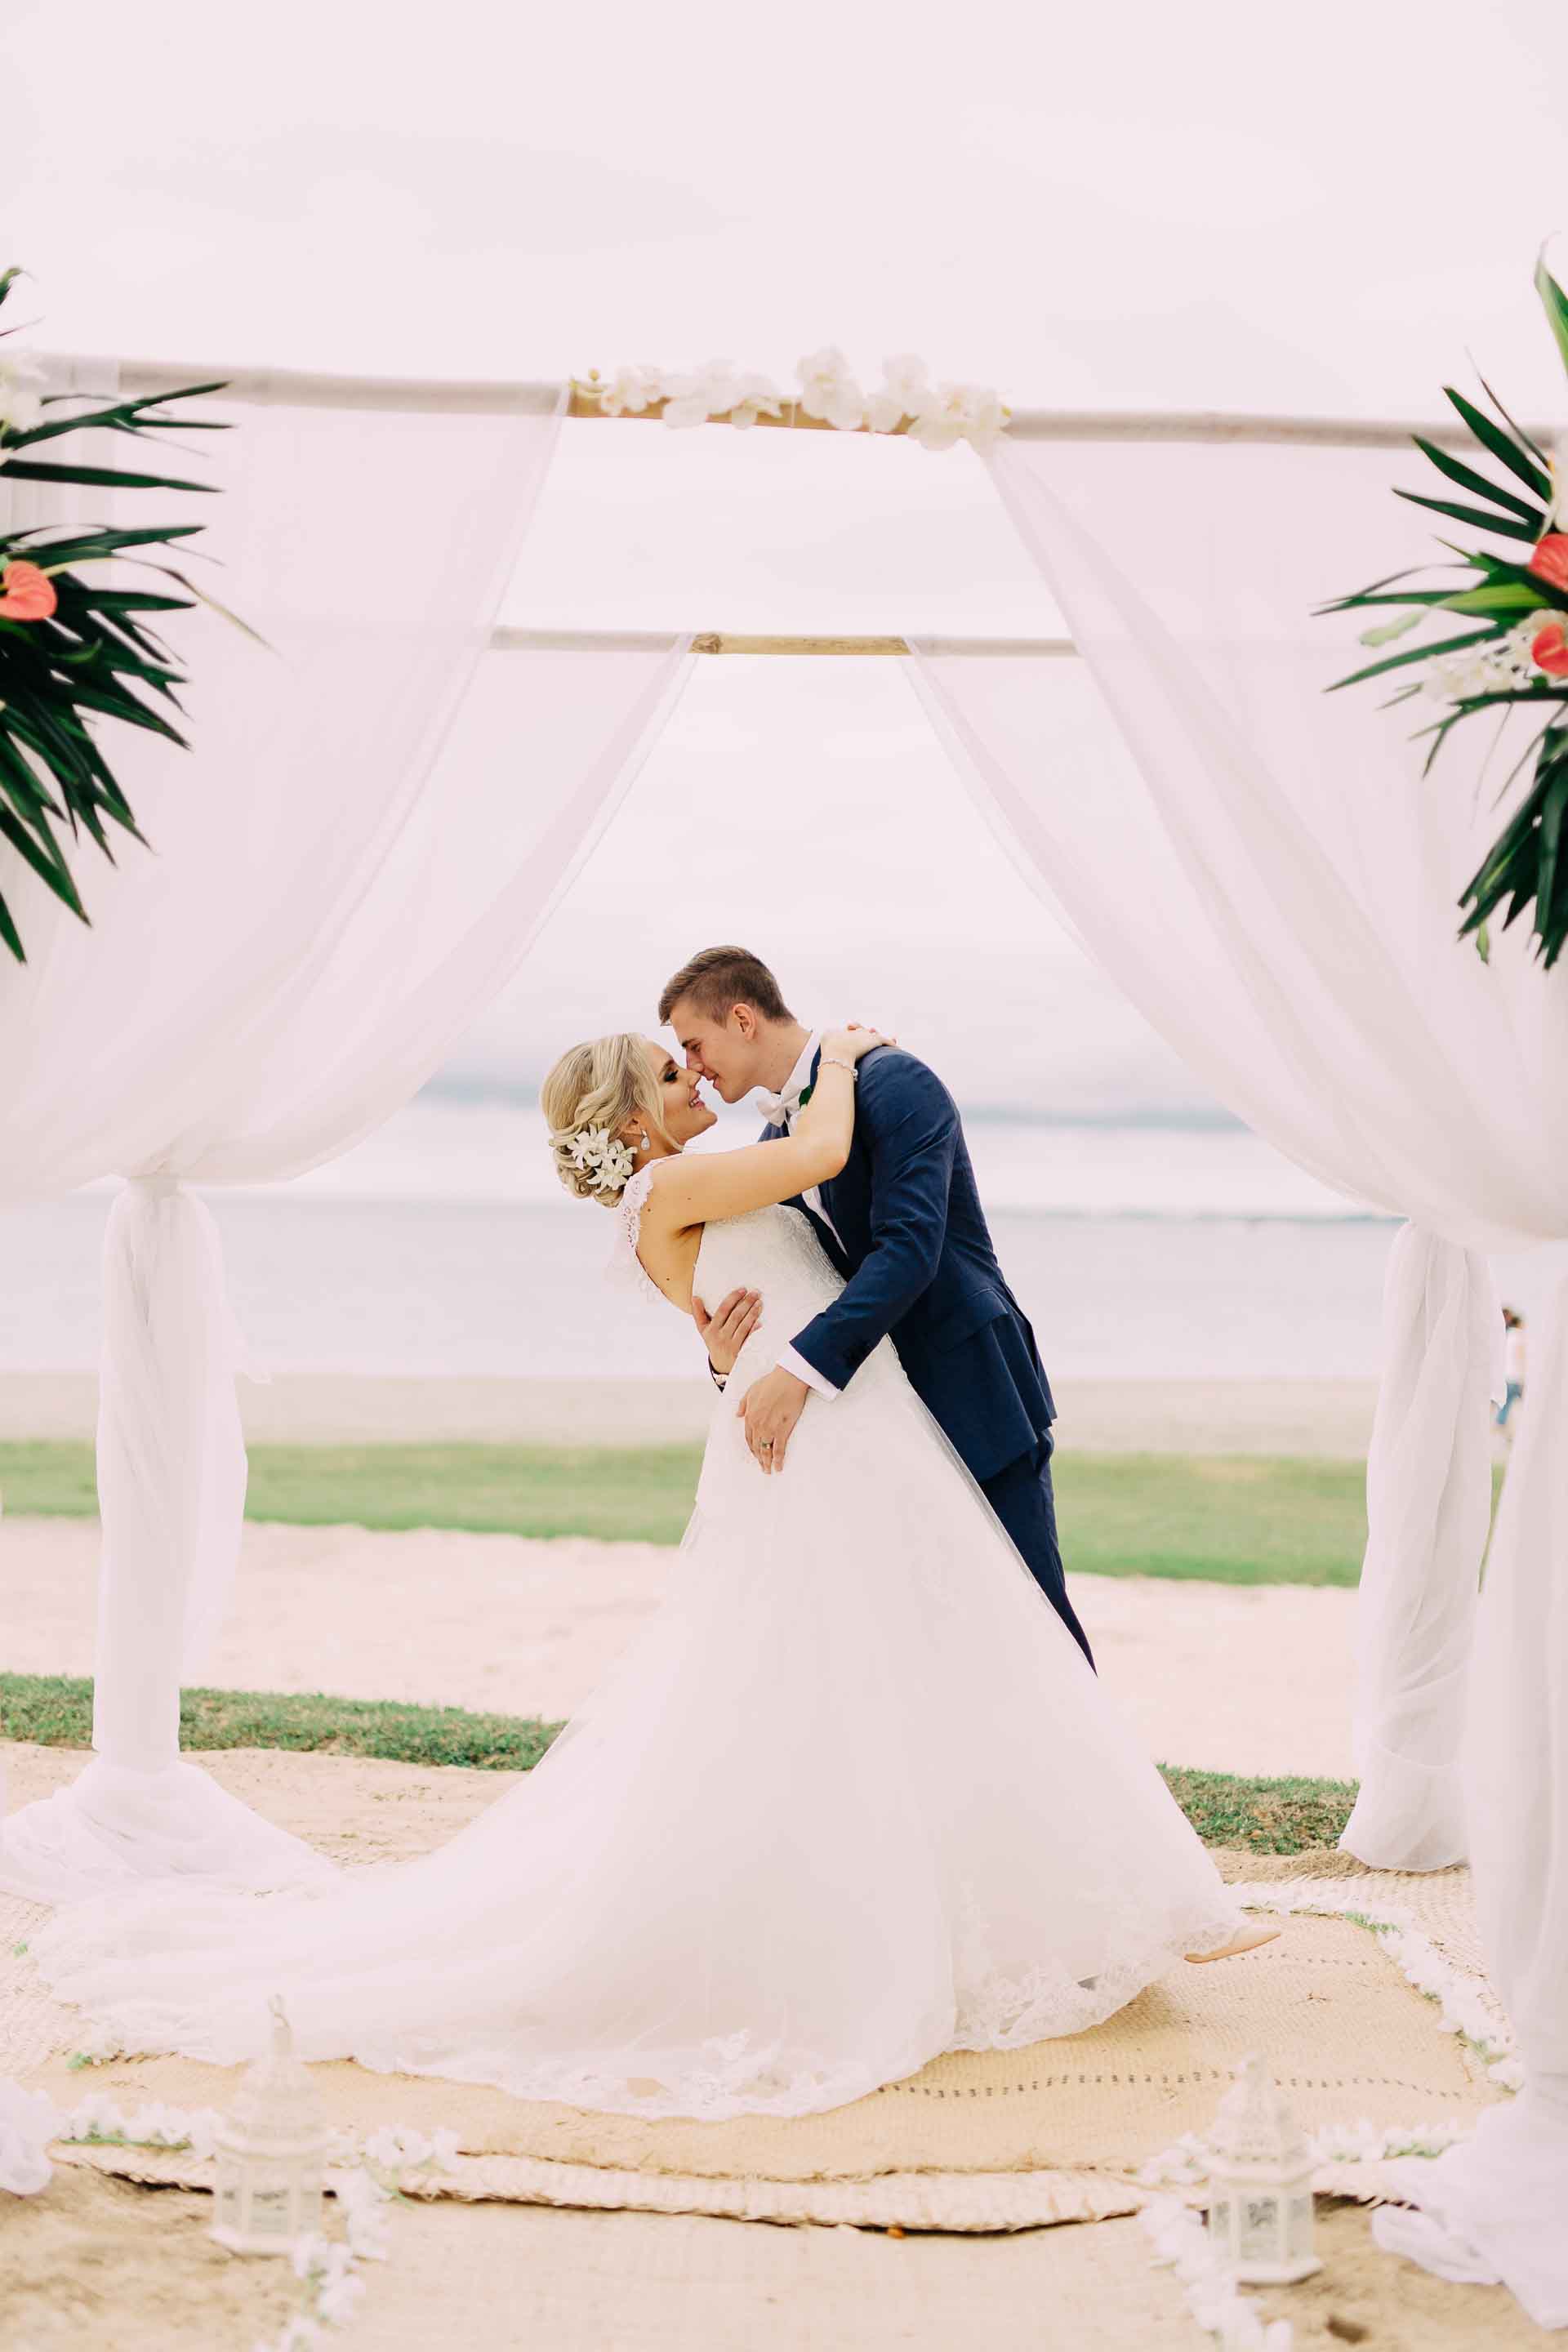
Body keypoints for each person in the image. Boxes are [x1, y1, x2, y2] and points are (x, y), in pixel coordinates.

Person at [29, 1022, 1269, 2124]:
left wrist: (736, 1356)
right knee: (907, 1655)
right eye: (675, 1070)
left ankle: (1010, 1909)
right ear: (636, 1118)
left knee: (897, 1663)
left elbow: (730, 1326)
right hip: (832, 1444)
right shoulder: (676, 1181)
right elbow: (823, 1158)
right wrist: (836, 1054)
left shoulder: (655, 1206)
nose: (694, 1079)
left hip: (830, 1429)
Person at [662, 946, 1092, 1664]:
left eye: (695, 1045)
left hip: (970, 1385)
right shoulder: (780, 1137)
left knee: (1032, 1617)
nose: (697, 1066)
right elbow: (800, 1284)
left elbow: (910, 1250)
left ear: (742, 1017)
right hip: (880, 1419)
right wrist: (728, 1363)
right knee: (929, 1631)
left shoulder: (895, 1083)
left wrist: (796, 1373)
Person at [1497, 1307, 1526, 1430]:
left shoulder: (1507, 1336)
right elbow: (1522, 1358)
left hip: (1507, 1375)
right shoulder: (1519, 1336)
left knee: (1506, 1403)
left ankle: (1501, 1423)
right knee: (1527, 1402)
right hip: (1516, 1377)